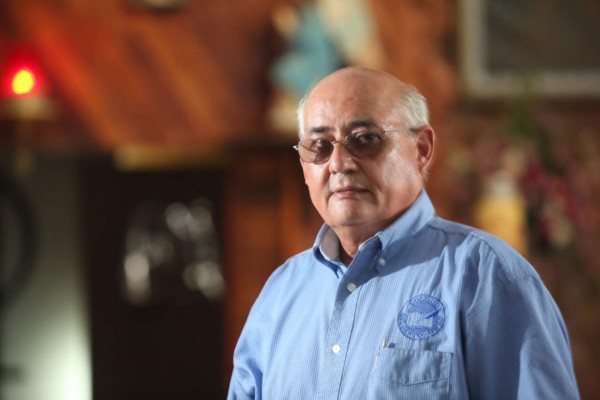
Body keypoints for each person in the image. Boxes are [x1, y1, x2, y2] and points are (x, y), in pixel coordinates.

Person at [227, 67, 580, 399]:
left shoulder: (485, 275)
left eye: (365, 139)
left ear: (422, 150)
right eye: (319, 146)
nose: (338, 164)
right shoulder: (281, 292)